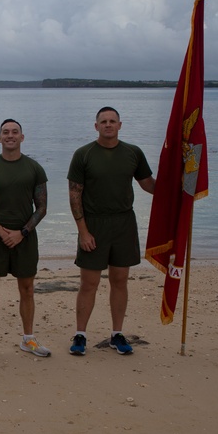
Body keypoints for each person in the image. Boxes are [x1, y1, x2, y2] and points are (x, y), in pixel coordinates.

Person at [67, 106, 155, 356]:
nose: (108, 125)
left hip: (124, 223)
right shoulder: (83, 154)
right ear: (96, 126)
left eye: (112, 121)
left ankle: (117, 334)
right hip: (94, 223)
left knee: (120, 281)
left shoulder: (133, 153)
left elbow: (148, 184)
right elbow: (75, 195)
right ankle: (81, 335)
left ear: (120, 125)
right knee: (89, 283)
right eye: (103, 121)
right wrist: (83, 231)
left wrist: (179, 190)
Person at [0, 118, 50, 358]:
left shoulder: (34, 168)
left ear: (22, 137)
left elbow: (42, 207)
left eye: (15, 132)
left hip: (24, 237)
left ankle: (28, 339)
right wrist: (2, 232)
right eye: (5, 132)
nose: (10, 135)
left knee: (27, 289)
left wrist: (22, 232)